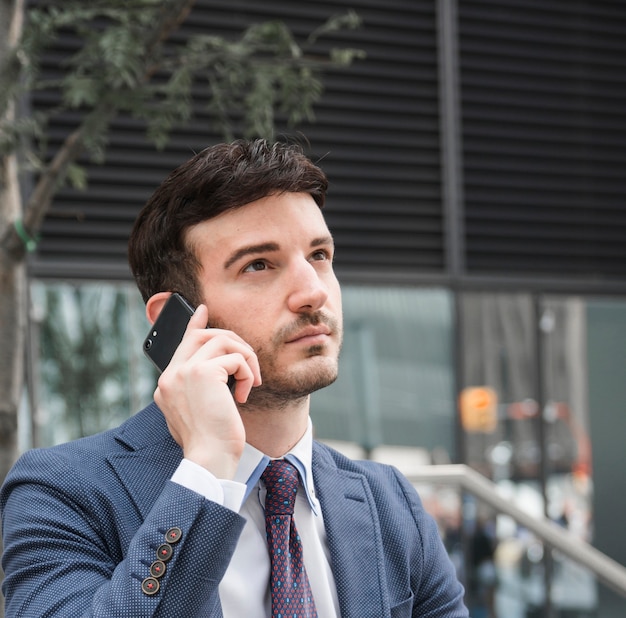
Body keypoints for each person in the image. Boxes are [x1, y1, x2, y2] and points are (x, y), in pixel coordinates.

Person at [0, 139, 469, 617]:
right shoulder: (62, 492)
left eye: (320, 255)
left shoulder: (390, 503)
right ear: (176, 321)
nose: (312, 292)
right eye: (259, 265)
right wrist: (206, 474)